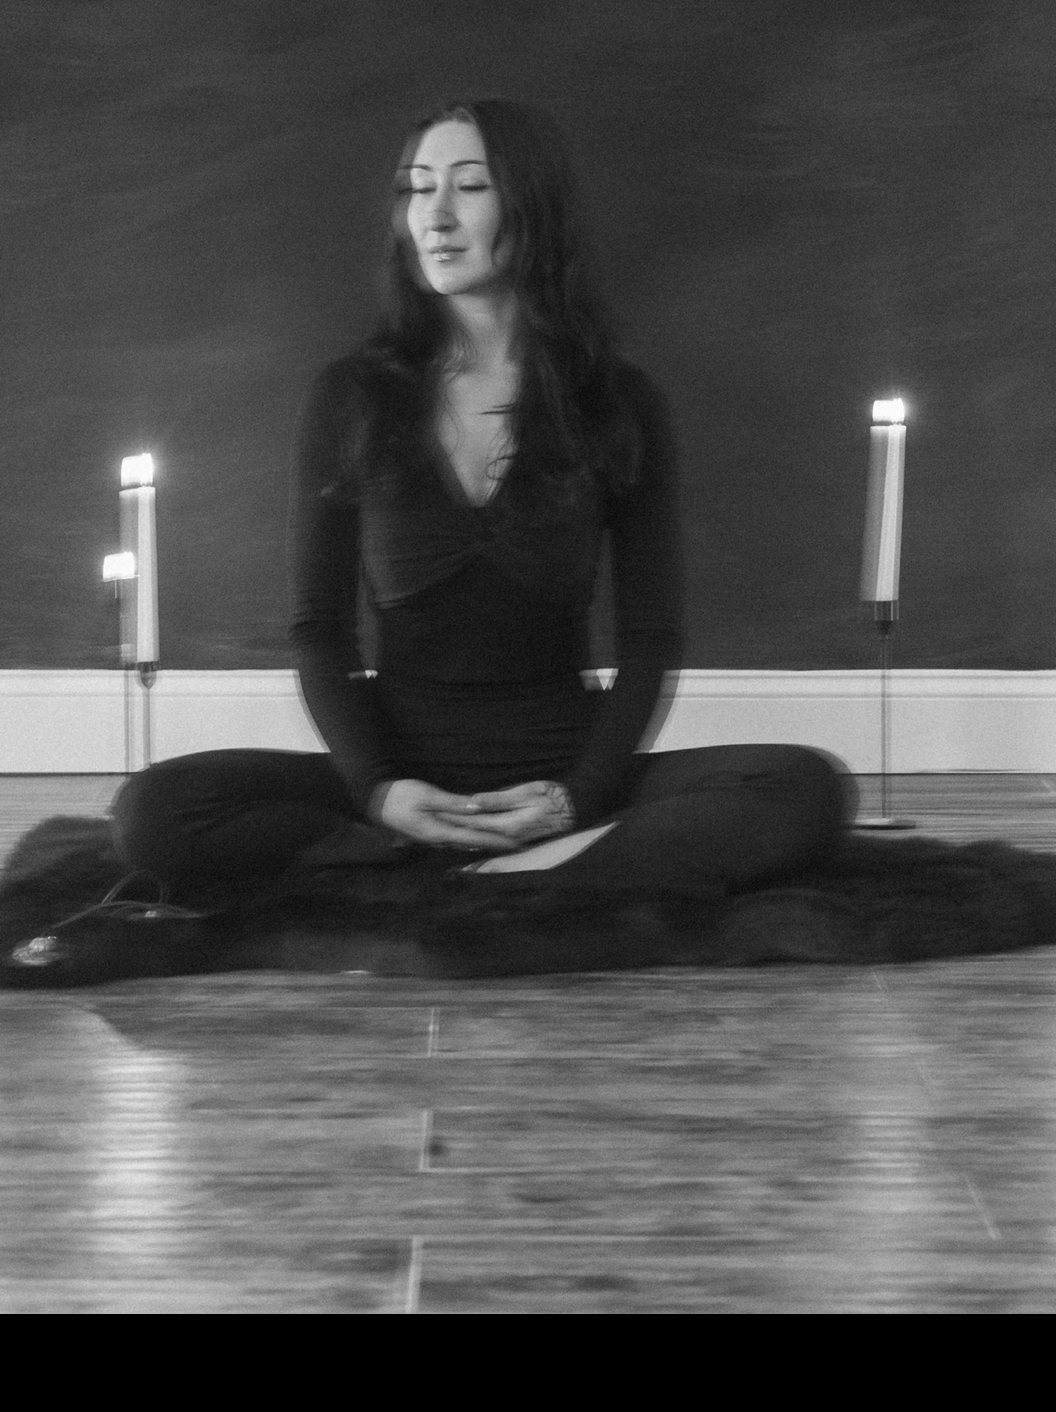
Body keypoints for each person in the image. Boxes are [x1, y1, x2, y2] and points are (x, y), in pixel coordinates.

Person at [107, 98, 856, 946]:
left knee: (806, 789)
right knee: (152, 813)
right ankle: (437, 855)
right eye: (418, 189)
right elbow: (318, 629)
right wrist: (380, 789)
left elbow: (651, 635)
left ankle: (521, 865)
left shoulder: (618, 402)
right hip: (401, 769)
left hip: (561, 773)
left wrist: (581, 795)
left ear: (528, 210)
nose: (436, 215)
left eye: (469, 187)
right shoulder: (351, 397)